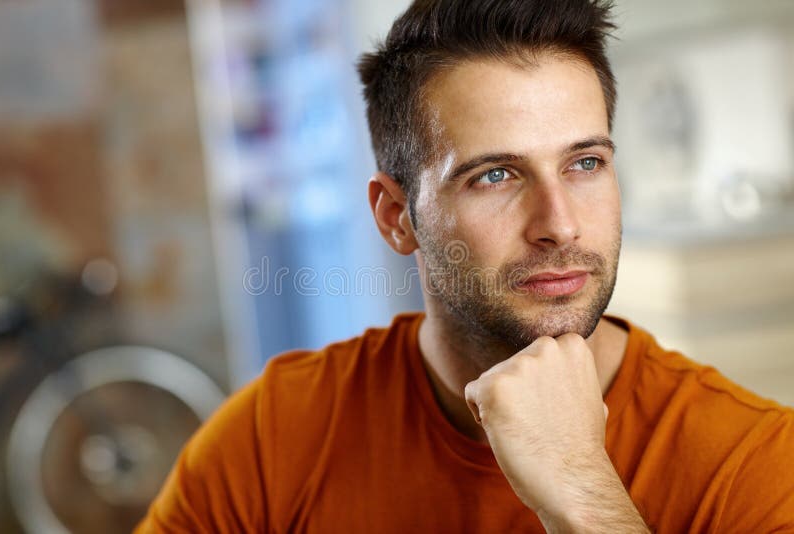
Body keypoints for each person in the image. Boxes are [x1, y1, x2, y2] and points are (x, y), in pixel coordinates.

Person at [136, 0, 794, 532]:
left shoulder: (753, 464)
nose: (559, 223)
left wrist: (581, 492)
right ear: (397, 217)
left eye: (585, 163)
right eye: (497, 175)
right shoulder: (272, 438)